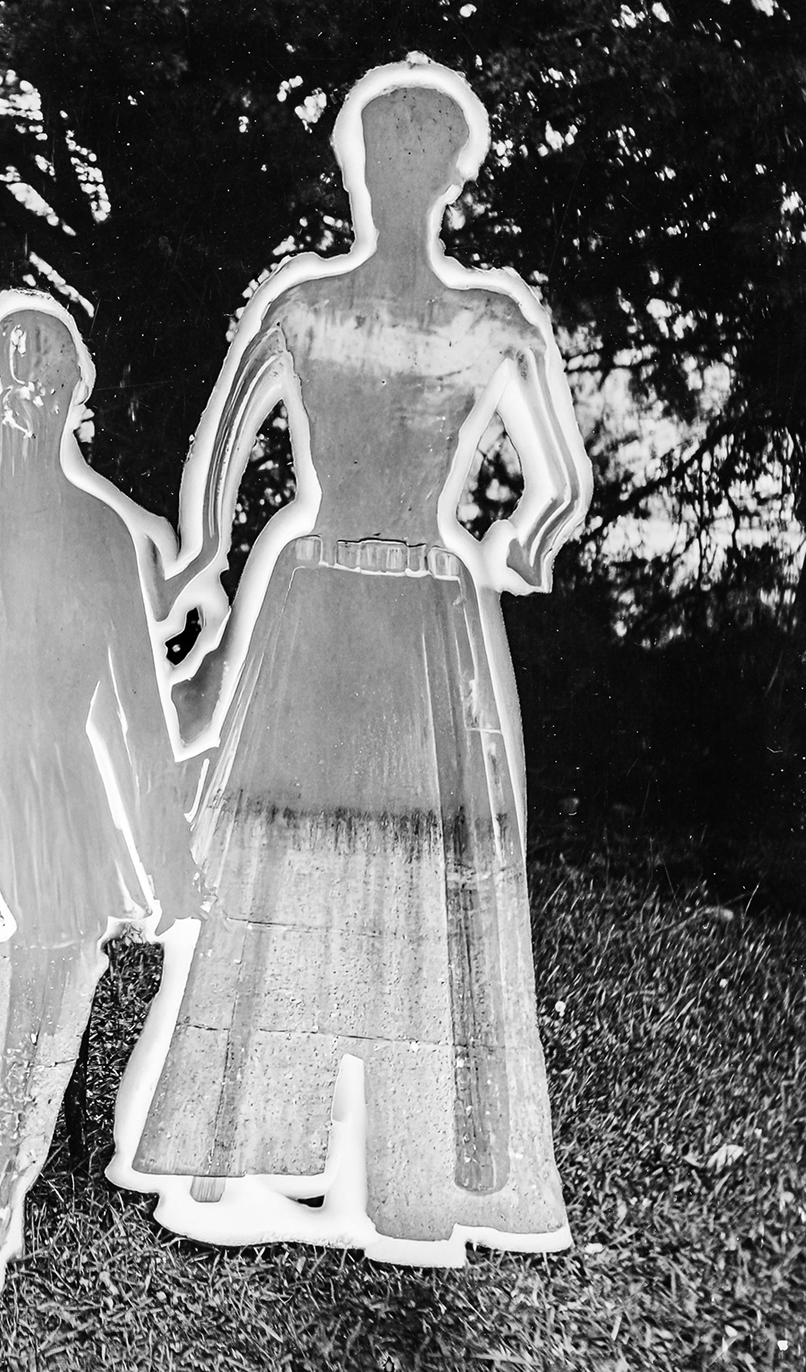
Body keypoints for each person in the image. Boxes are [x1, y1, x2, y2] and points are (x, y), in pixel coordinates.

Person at [125, 61, 591, 1252]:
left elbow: (560, 481)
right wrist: (202, 559)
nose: (392, 179)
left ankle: (402, 1164)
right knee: (293, 851)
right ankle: (257, 1143)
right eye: (381, 158)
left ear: (444, 178)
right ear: (363, 171)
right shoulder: (314, 307)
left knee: (409, 861)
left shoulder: (483, 324)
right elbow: (226, 441)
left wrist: (527, 542)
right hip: (333, 603)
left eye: (410, 160)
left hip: (413, 610)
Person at [0, 298, 193, 1304]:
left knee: (58, 954)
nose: (30, 402)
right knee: (26, 936)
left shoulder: (101, 535)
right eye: (12, 381)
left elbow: (138, 715)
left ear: (76, 397)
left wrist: (166, 858)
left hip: (55, 791)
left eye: (51, 382)